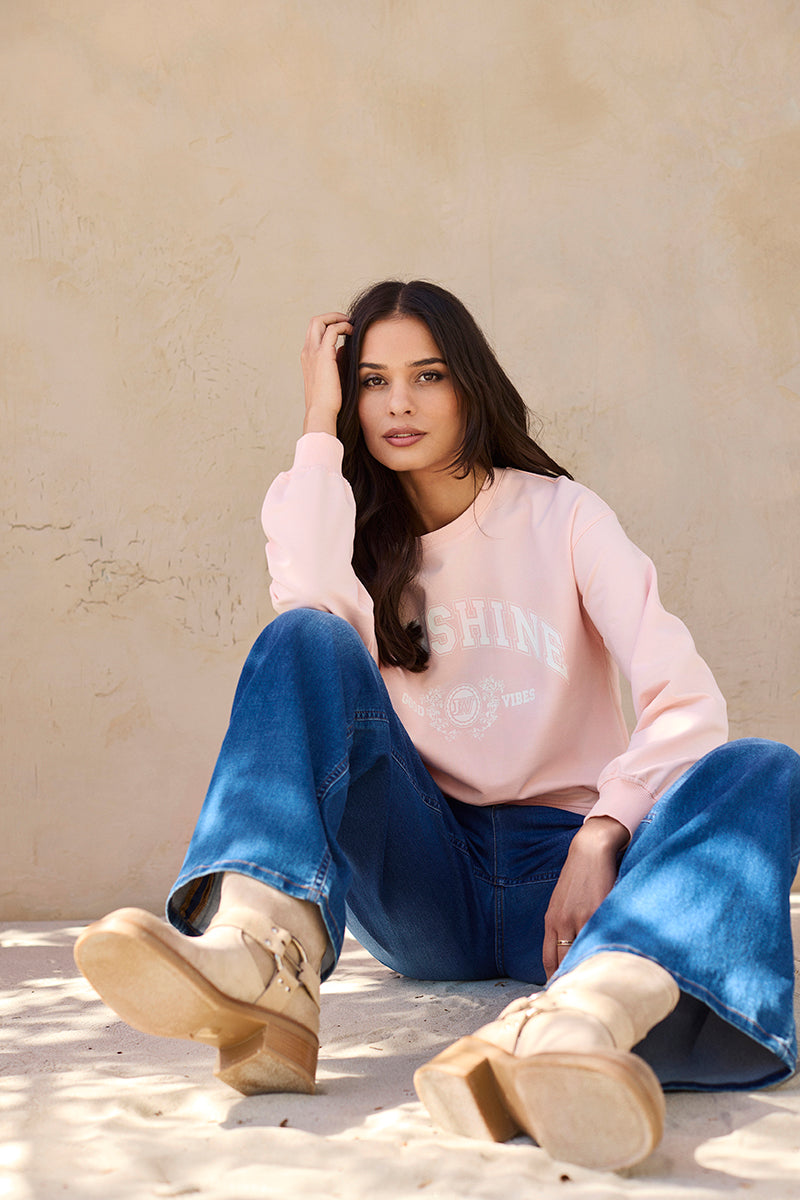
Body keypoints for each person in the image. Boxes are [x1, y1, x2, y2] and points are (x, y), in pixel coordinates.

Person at [75, 280, 800, 1173]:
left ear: (469, 385)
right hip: (424, 870)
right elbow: (307, 614)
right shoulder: (353, 535)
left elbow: (687, 701)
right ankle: (264, 954)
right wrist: (317, 424)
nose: (400, 404)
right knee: (302, 636)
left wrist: (605, 830)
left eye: (427, 376)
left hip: (565, 892)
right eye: (372, 382)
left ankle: (580, 1022)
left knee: (764, 767)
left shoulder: (563, 516)